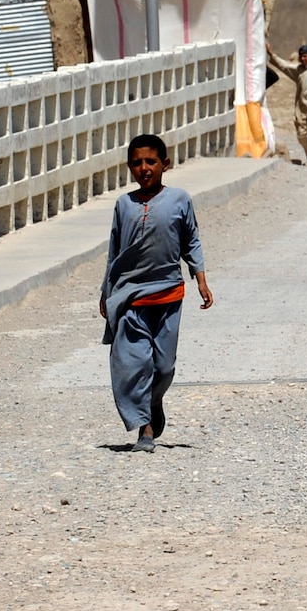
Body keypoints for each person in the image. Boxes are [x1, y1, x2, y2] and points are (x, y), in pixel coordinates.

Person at [100, 133, 213, 452]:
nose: (144, 168)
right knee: (133, 364)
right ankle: (144, 428)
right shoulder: (124, 204)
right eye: (136, 163)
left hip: (168, 297)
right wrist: (105, 292)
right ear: (129, 168)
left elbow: (191, 240)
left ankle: (154, 401)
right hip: (130, 298)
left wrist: (200, 279)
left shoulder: (179, 199)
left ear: (165, 163)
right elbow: (114, 251)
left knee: (163, 367)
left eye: (150, 161)